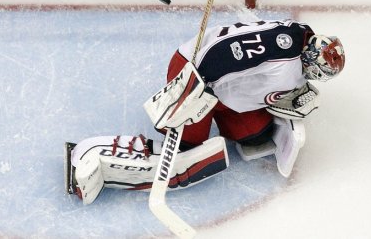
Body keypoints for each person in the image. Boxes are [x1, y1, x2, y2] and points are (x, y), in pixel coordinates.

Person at [65, 18, 345, 204]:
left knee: (256, 135)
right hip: (193, 75)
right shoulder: (283, 51)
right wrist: (195, 86)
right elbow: (228, 49)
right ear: (309, 56)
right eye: (318, 71)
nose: (316, 76)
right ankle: (100, 153)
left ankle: (217, 113)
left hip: (224, 92)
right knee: (186, 149)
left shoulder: (298, 41)